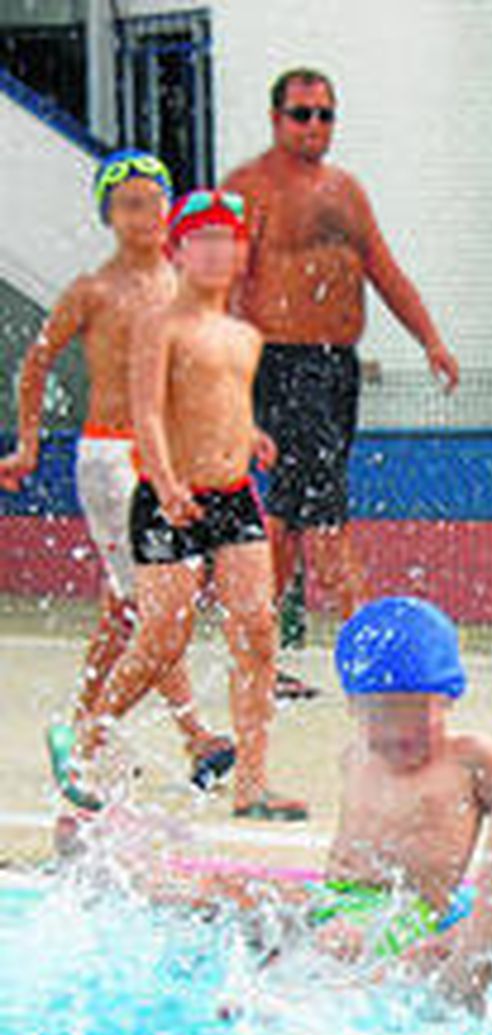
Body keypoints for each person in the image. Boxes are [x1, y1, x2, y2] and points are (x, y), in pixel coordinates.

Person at [142, 598, 492, 1008]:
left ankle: (297, 1000)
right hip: (334, 897)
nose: (399, 730)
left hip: (406, 909)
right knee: (227, 890)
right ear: (352, 705)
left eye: (416, 713)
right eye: (381, 713)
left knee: (339, 941)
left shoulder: (471, 759)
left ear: (449, 698)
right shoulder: (355, 755)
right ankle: (127, 880)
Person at [47, 189, 305, 820]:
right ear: (179, 252)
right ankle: (85, 739)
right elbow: (148, 413)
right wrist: (164, 483)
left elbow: (219, 403)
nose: (216, 252)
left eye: (227, 240)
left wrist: (251, 436)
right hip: (169, 498)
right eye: (202, 240)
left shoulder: (243, 336)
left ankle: (252, 784)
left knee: (257, 629)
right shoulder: (158, 326)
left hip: (233, 496)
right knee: (163, 636)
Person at [223, 67, 460, 699]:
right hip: (282, 363)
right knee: (322, 515)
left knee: (288, 517)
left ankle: (257, 655)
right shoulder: (250, 187)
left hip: (336, 368)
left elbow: (383, 268)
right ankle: (371, 652)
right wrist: (224, 376)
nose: (314, 126)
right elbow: (221, 282)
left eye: (325, 114)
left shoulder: (345, 190)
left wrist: (430, 338)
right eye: (302, 114)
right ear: (276, 119)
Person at [5, 150, 234, 795]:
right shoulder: (94, 290)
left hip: (165, 458)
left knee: (127, 607)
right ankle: (193, 736)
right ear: (109, 215)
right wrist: (28, 444)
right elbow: (36, 363)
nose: (146, 215)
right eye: (131, 204)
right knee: (157, 604)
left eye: (156, 201)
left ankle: (84, 727)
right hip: (111, 461)